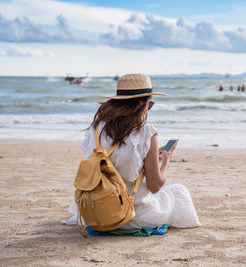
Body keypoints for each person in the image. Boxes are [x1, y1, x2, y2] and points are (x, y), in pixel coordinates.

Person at [62, 74, 200, 229]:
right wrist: (166, 160)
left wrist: (151, 157)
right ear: (141, 104)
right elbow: (155, 186)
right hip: (132, 215)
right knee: (179, 192)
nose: (149, 109)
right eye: (150, 104)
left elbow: (113, 162)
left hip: (97, 212)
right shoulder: (147, 132)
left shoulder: (96, 129)